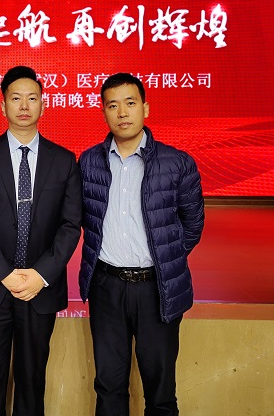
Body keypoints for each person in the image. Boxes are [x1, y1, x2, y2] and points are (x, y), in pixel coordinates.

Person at [78, 73, 205, 416]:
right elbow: (81, 219)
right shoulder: (89, 162)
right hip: (106, 287)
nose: (122, 113)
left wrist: (163, 259)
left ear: (145, 108)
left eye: (130, 103)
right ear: (103, 112)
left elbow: (192, 225)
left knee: (160, 393)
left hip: (157, 289)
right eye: (113, 105)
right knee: (109, 388)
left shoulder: (177, 162)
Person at [0, 65, 82, 416]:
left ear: (44, 104)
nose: (24, 105)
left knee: (32, 385)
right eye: (16, 98)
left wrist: (40, 275)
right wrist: (5, 274)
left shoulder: (64, 160)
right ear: (3, 106)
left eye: (32, 98)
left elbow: (70, 225)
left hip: (39, 290)